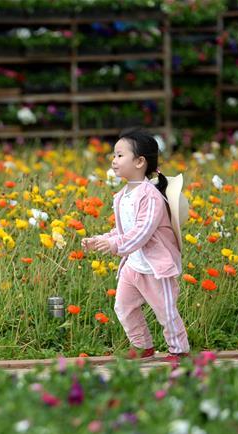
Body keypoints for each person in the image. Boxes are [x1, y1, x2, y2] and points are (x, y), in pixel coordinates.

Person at [81, 128, 190, 362]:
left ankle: (179, 349)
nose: (114, 160)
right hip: (133, 265)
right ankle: (142, 346)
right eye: (114, 155)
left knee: (166, 312)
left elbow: (141, 232)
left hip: (155, 268)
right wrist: (101, 239)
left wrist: (113, 244)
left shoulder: (150, 196)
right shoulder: (121, 196)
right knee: (124, 306)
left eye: (120, 155)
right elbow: (124, 231)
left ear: (140, 162)